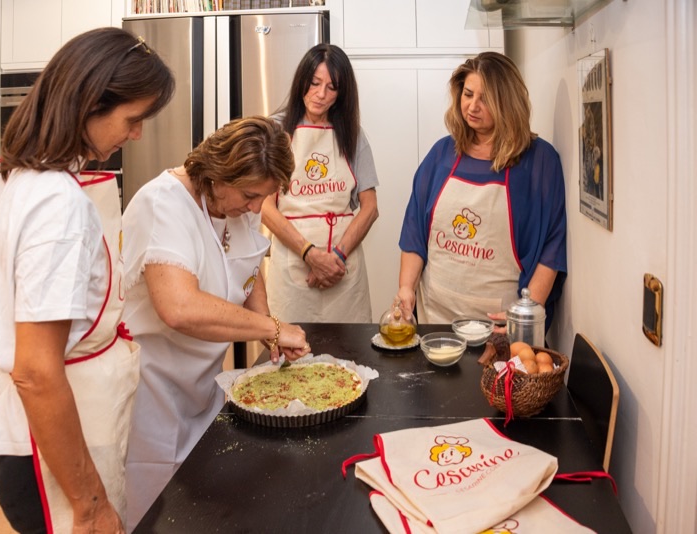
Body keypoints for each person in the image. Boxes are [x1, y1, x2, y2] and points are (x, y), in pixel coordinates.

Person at [0, 28, 174, 533]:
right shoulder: (57, 203)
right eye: (133, 119)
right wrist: (90, 505)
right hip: (46, 448)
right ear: (89, 103)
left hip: (32, 433)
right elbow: (36, 371)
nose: (137, 134)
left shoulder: (21, 178)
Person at [121, 116, 311, 531]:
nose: (257, 207)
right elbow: (179, 307)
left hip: (202, 393)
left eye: (265, 197)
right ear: (219, 173)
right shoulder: (163, 204)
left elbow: (246, 266)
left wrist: (265, 318)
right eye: (250, 195)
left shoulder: (232, 205)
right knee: (154, 517)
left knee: (198, 512)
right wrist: (272, 330)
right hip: (151, 397)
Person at [398, 51, 566, 330]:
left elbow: (552, 248)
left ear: (507, 102)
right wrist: (406, 288)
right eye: (468, 94)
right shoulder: (441, 154)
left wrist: (523, 321)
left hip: (499, 327)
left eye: (485, 98)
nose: (472, 106)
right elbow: (414, 234)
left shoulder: (539, 161)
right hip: (435, 321)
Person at [262, 43, 379, 323]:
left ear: (342, 94)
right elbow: (266, 208)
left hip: (343, 269)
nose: (320, 94)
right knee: (293, 359)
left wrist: (335, 258)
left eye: (331, 87)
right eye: (314, 83)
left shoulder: (352, 135)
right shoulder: (275, 131)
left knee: (351, 358)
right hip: (293, 269)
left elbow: (370, 208)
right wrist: (309, 254)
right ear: (302, 80)